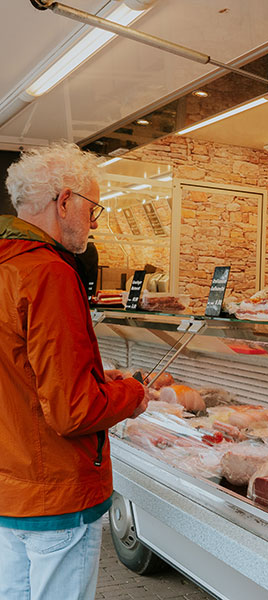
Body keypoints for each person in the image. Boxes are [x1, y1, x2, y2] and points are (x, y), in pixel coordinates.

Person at [0, 142, 151, 600]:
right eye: (93, 208)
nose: (95, 222)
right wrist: (133, 395)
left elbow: (22, 375)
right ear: (65, 201)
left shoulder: (6, 267)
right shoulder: (48, 273)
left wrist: (100, 381)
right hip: (57, 492)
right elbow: (73, 411)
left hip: (12, 485)